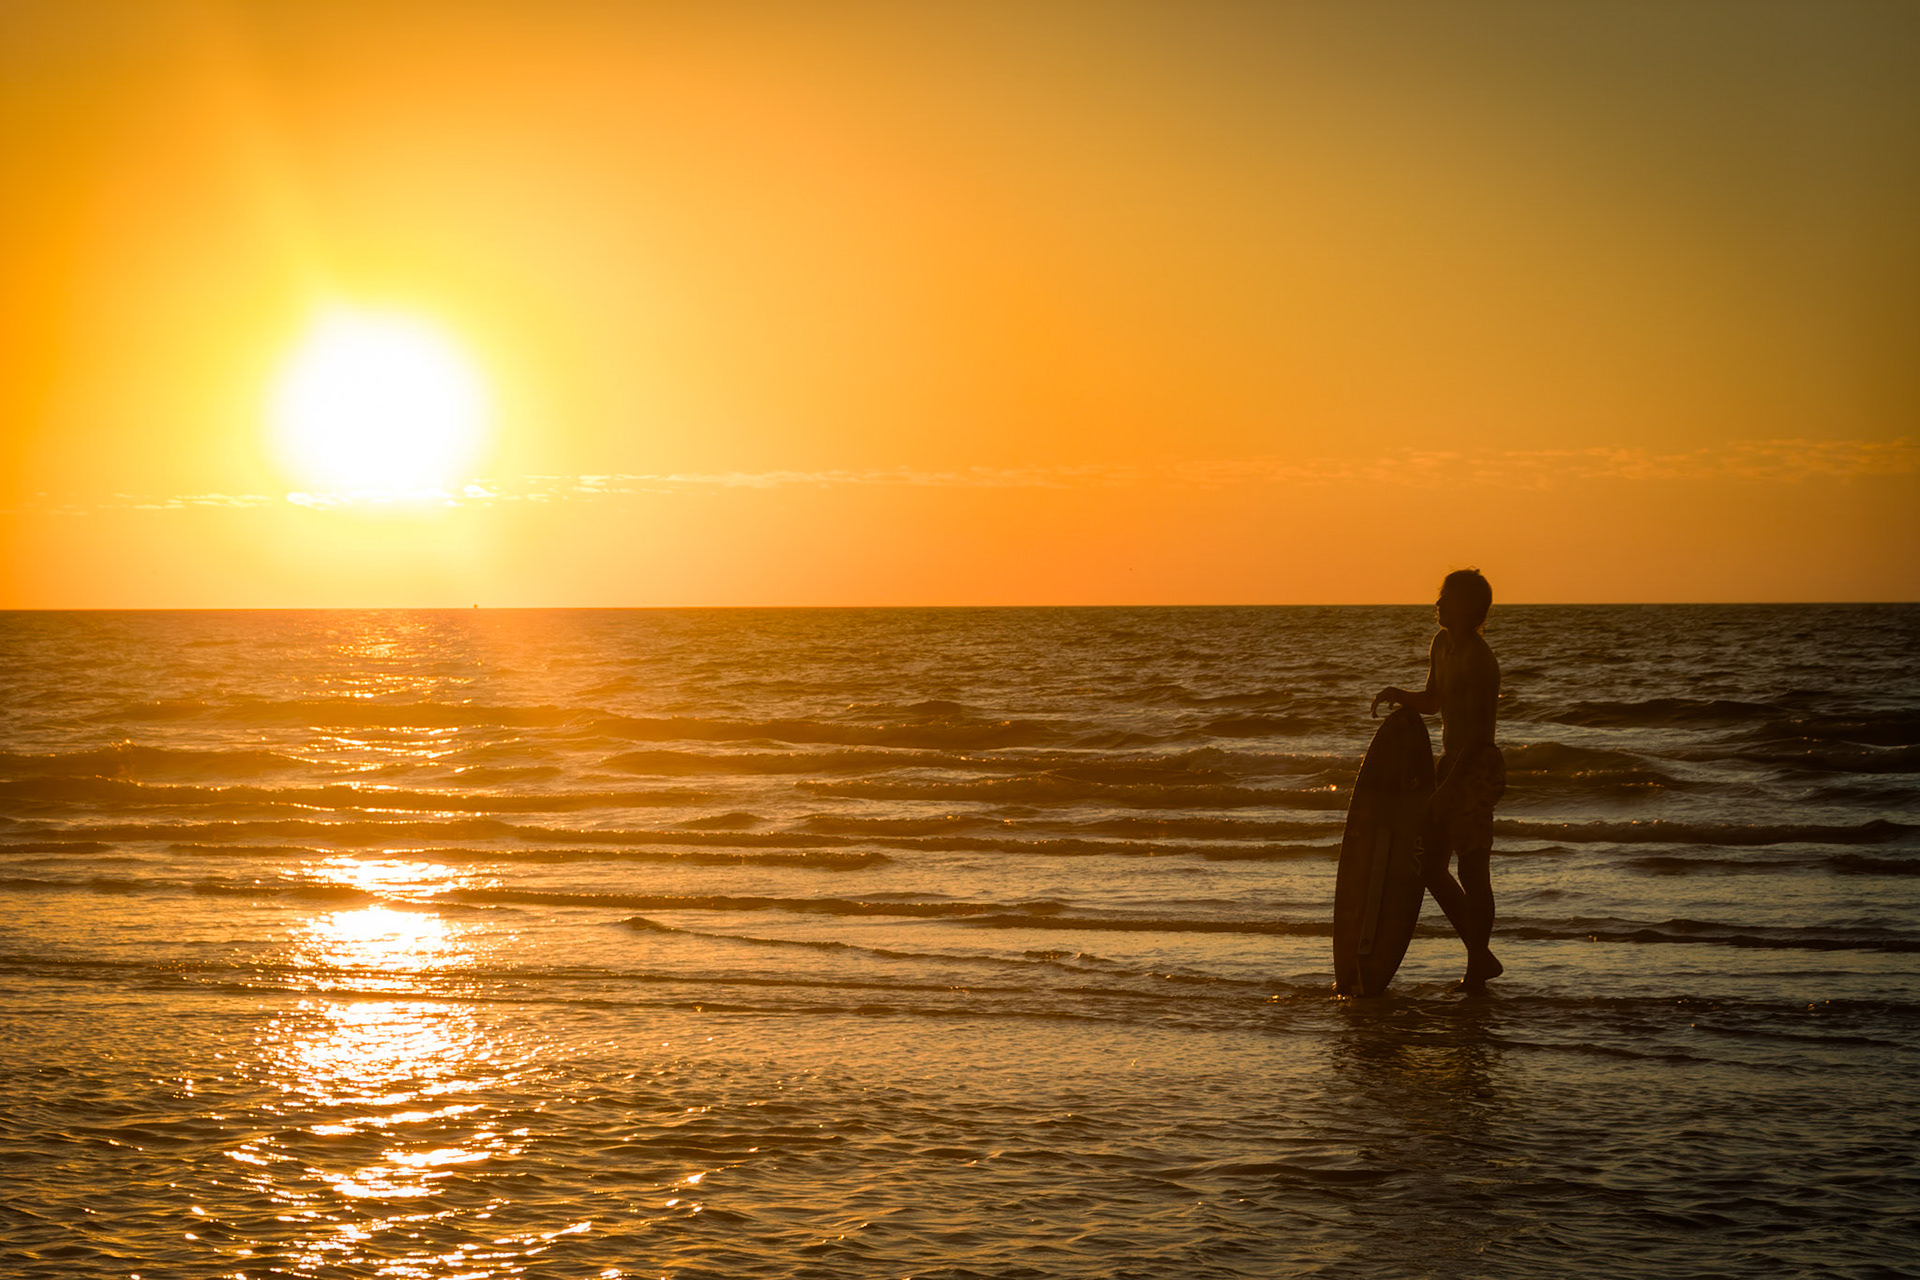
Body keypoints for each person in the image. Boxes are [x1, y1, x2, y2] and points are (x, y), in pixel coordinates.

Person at [1370, 568, 1506, 989]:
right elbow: (1433, 701)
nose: (1437, 603)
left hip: (1476, 770)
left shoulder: (1481, 661)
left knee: (1473, 870)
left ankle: (1475, 970)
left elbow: (1481, 736)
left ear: (1467, 607)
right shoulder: (1441, 645)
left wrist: (1448, 789)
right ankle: (1480, 956)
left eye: (1445, 597)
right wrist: (1400, 695)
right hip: (1450, 764)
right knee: (1429, 867)